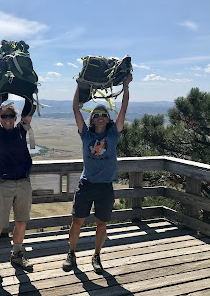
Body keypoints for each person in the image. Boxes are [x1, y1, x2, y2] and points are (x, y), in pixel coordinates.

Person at [62, 75, 133, 274]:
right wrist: (78, 85)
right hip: (87, 184)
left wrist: (126, 87)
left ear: (108, 119)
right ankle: (71, 253)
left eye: (103, 114)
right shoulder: (86, 134)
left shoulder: (113, 134)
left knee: (101, 225)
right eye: (96, 114)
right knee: (77, 221)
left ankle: (97, 256)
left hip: (105, 187)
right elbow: (76, 109)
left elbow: (124, 108)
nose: (100, 117)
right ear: (92, 119)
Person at [0, 90, 34, 282]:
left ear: (15, 117)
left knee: (21, 222)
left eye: (10, 116)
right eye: (3, 116)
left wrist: (27, 90)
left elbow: (30, 108)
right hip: (4, 184)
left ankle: (17, 255)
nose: (7, 119)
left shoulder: (21, 129)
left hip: (23, 182)